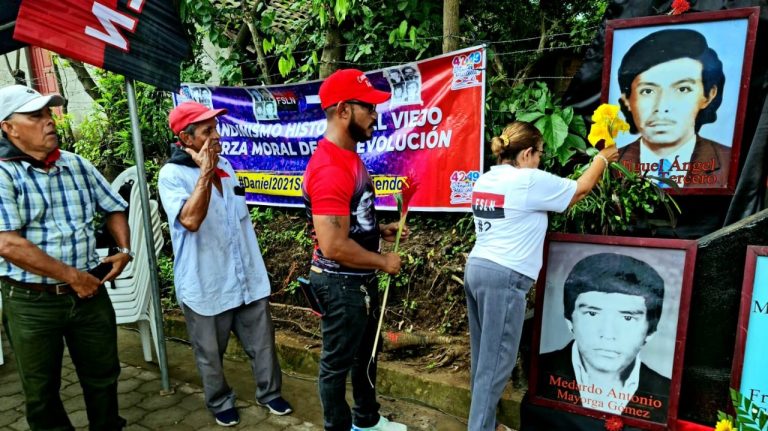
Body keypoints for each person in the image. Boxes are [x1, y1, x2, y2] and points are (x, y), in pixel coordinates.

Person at [464, 121, 618, 431]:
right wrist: (602, 158)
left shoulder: (486, 179)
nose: (539, 162)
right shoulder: (527, 180)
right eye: (539, 155)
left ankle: (487, 423)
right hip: (503, 277)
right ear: (527, 154)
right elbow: (580, 189)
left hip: (477, 268)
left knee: (484, 361)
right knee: (495, 366)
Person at [0, 84, 133, 430]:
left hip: (90, 292)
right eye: (35, 116)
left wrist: (123, 250)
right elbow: (7, 243)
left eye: (49, 113)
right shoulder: (3, 173)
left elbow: (114, 207)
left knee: (103, 376)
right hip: (32, 300)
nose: (49, 122)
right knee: (41, 391)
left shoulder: (76, 165)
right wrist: (72, 276)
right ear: (8, 127)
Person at [158, 101, 293, 427]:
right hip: (207, 283)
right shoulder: (171, 175)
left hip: (246, 276)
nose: (217, 136)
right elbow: (190, 220)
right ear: (186, 139)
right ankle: (219, 400)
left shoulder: (227, 167)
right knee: (210, 355)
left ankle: (269, 392)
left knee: (263, 345)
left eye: (216, 128)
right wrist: (204, 173)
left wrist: (212, 169)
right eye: (208, 131)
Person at [302, 69, 408, 431]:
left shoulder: (349, 157)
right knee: (336, 365)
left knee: (366, 355)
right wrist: (383, 260)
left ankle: (367, 420)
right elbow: (332, 244)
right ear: (344, 110)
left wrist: (378, 229)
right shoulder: (330, 166)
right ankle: (339, 427)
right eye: (369, 108)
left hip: (356, 281)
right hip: (340, 284)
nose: (376, 115)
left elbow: (347, 222)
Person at [536, 253, 670, 423]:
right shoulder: (539, 373)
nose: (607, 334)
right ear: (570, 321)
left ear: (650, 332)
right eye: (592, 314)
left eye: (627, 318)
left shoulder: (665, 393)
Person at [616, 29, 729, 188]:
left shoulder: (731, 162)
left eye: (682, 89)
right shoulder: (610, 164)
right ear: (627, 100)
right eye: (647, 91)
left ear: (709, 95)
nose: (662, 107)